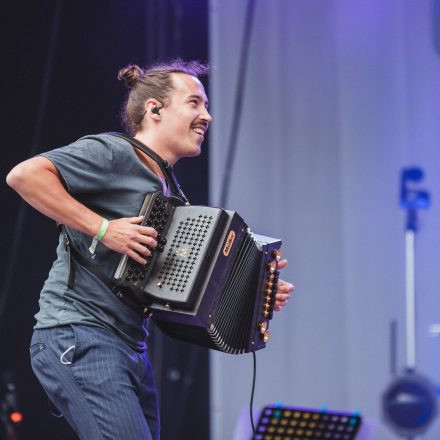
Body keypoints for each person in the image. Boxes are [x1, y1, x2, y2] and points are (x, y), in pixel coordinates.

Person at [6, 59, 294, 439]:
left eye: (205, 106)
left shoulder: (169, 190)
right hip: (79, 334)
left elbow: (175, 289)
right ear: (154, 109)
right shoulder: (114, 152)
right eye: (194, 103)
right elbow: (24, 176)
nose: (206, 116)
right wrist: (103, 228)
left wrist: (257, 294)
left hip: (128, 346)